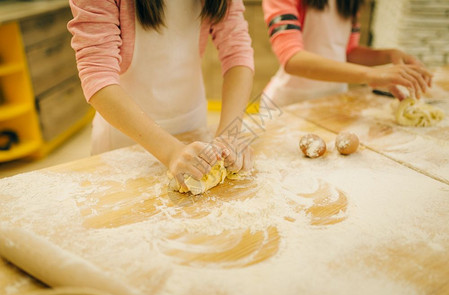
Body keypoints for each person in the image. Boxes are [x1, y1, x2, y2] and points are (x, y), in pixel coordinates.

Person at [68, 0, 254, 189]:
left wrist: (228, 136)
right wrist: (172, 151)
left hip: (192, 129)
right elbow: (97, 75)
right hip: (125, 141)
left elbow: (237, 52)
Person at [262, 0, 433, 107]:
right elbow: (292, 59)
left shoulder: (351, 2)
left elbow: (347, 52)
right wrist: (370, 74)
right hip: (288, 104)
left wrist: (388, 56)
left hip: (334, 100)